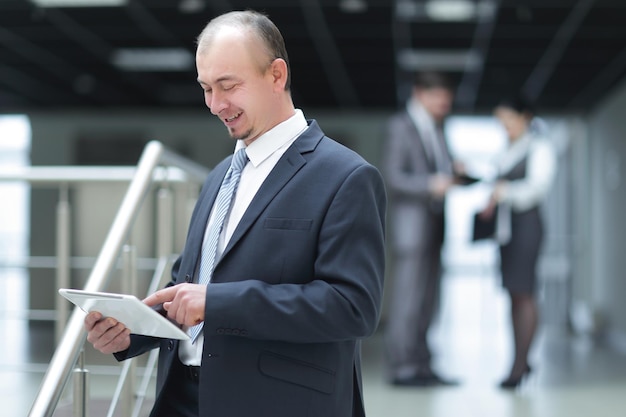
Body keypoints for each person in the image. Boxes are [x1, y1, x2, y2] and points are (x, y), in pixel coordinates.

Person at [84, 10, 386, 417]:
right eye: (206, 88)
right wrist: (131, 333)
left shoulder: (346, 176)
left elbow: (352, 307)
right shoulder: (219, 177)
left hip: (276, 403)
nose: (215, 105)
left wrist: (216, 302)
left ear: (276, 75)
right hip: (182, 399)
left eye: (228, 86)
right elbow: (190, 284)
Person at [382, 71, 461, 386]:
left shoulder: (436, 128)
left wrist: (453, 170)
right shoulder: (401, 126)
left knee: (428, 300)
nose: (444, 104)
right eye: (438, 97)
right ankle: (402, 368)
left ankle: (422, 364)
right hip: (411, 229)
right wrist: (431, 184)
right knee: (407, 300)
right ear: (420, 94)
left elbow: (440, 165)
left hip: (435, 225)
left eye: (447, 98)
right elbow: (394, 176)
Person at [478, 95, 557, 389]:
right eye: (501, 122)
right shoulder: (509, 149)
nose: (505, 127)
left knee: (524, 293)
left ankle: (520, 365)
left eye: (508, 120)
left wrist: (504, 192)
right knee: (514, 293)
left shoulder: (540, 147)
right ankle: (520, 359)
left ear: (525, 117)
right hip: (507, 231)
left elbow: (536, 188)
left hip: (527, 228)